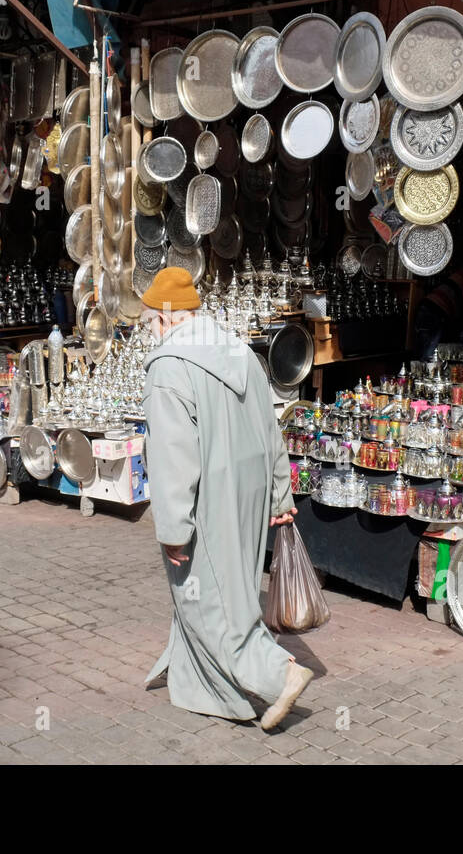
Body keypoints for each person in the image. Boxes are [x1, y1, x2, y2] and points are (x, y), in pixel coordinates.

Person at [139, 267, 314, 730]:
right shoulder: (237, 349)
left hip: (209, 497)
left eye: (149, 321)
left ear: (164, 318)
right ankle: (196, 677)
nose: (149, 330)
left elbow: (173, 457)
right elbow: (269, 426)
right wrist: (280, 494)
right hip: (251, 490)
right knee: (227, 590)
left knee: (208, 597)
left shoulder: (168, 366)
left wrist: (174, 530)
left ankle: (280, 675)